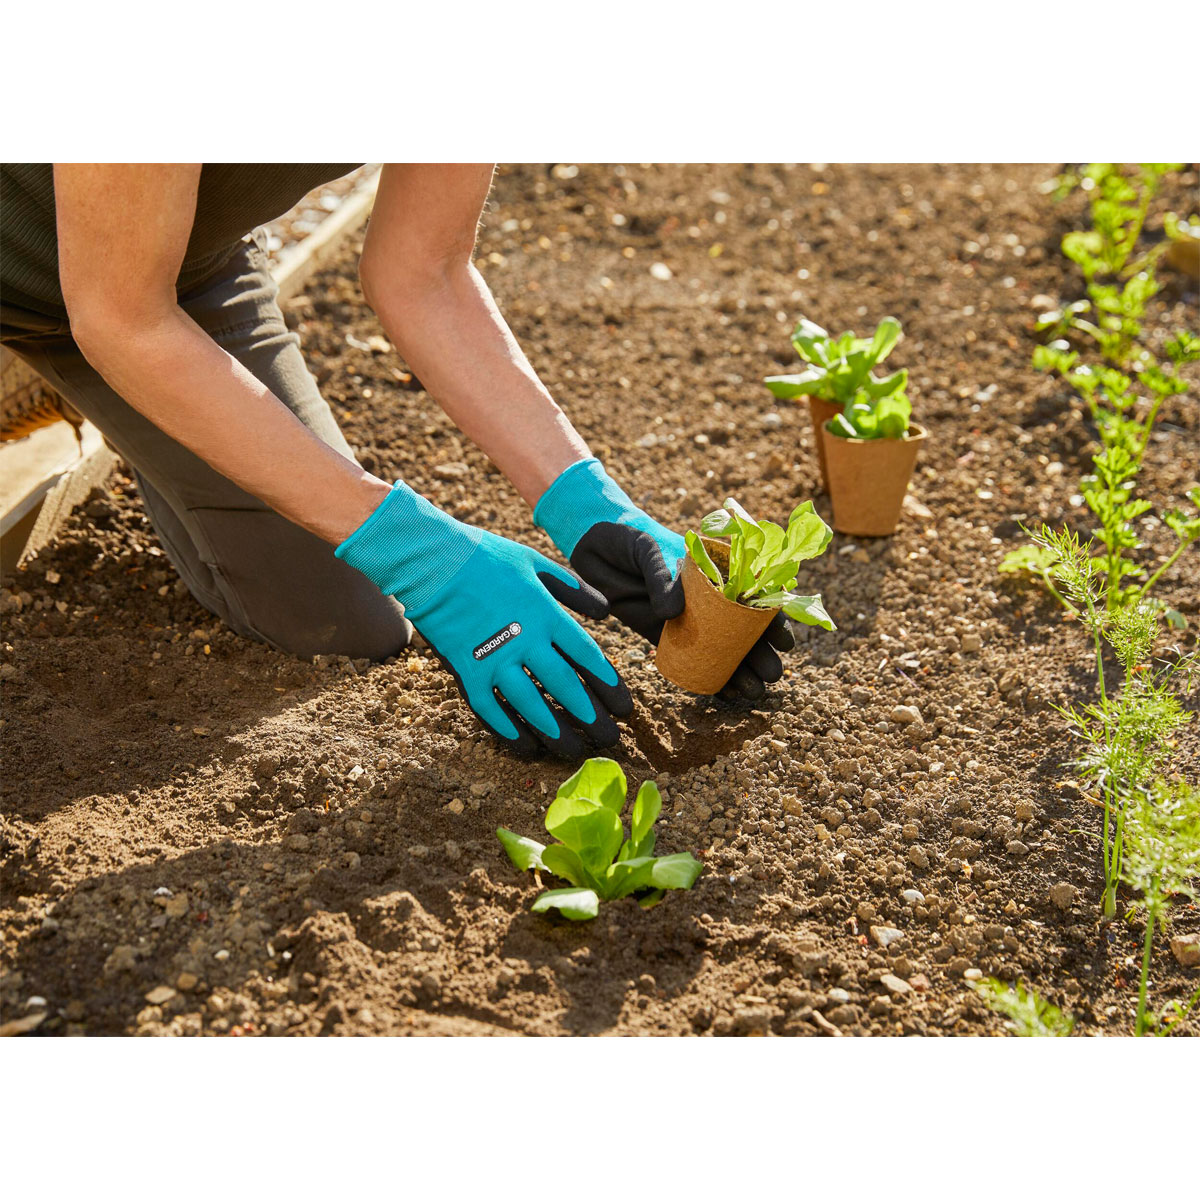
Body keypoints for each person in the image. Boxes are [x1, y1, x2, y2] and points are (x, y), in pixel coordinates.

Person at [0, 163, 793, 759]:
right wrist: (419, 553)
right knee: (115, 331)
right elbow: (123, 317)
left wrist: (587, 506)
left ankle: (126, 381)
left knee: (342, 618)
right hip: (104, 296)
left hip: (169, 271)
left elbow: (427, 272)